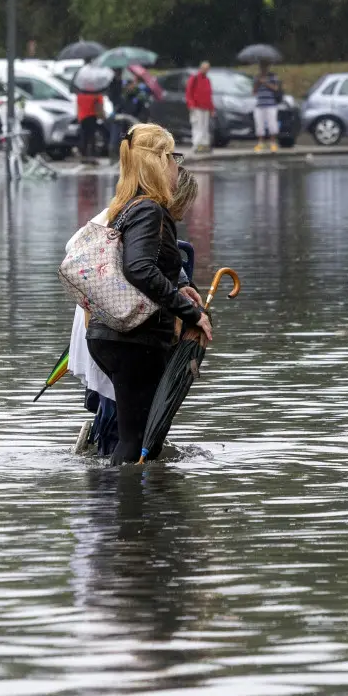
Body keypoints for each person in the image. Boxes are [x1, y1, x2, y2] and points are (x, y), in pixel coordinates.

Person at [86, 123, 212, 464]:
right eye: (173, 157)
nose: (176, 166)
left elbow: (141, 266)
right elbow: (139, 269)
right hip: (133, 341)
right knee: (137, 440)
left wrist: (179, 286)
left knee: (139, 438)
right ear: (159, 161)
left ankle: (135, 508)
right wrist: (190, 312)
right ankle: (129, 512)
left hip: (112, 336)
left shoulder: (126, 206)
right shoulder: (148, 209)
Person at [252, 61, 283, 153]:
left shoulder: (273, 76)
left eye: (265, 67)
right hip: (260, 104)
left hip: (271, 104)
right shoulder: (256, 77)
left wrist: (265, 82)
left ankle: (272, 143)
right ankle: (260, 143)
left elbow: (276, 88)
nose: (263, 69)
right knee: (259, 125)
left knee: (272, 124)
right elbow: (253, 92)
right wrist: (258, 82)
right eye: (261, 67)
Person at [185, 62, 215, 153]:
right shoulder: (194, 78)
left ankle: (205, 144)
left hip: (205, 107)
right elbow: (189, 92)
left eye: (207, 68)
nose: (206, 70)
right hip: (196, 106)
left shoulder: (207, 80)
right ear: (201, 68)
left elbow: (209, 95)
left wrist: (211, 108)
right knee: (197, 126)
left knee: (205, 126)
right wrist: (191, 104)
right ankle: (197, 144)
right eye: (204, 68)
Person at [76, 90, 104, 159]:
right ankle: (92, 155)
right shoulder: (96, 93)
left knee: (84, 137)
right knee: (92, 137)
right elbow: (100, 104)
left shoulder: (80, 93)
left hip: (82, 117)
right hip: (92, 116)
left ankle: (84, 155)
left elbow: (78, 105)